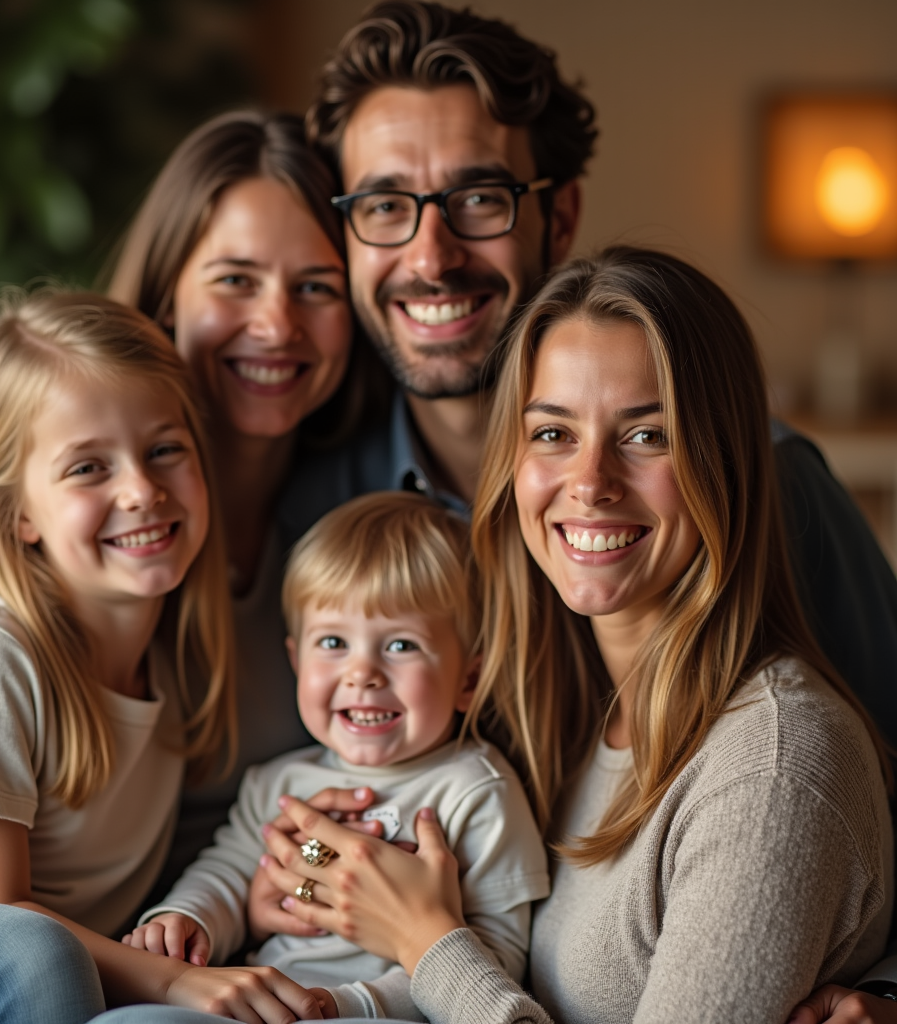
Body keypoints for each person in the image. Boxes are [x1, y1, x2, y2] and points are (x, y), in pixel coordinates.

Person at [260, 247, 895, 1024]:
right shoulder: (552, 707)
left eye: (647, 435)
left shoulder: (769, 767)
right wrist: (304, 874)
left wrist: (427, 943)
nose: (590, 481)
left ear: (725, 460)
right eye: (554, 433)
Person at [0, 110, 383, 905]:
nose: (276, 324)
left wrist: (301, 871)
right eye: (234, 280)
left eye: (316, 287)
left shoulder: (356, 531)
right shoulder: (31, 561)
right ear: (167, 296)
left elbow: (339, 801)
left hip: (201, 920)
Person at [0, 289, 336, 1023]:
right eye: (88, 468)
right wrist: (172, 981)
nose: (142, 490)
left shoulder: (175, 657)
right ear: (18, 513)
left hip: (45, 967)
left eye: (164, 450)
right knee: (35, 956)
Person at [115, 492, 548, 1021]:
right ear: (297, 661)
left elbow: (496, 957)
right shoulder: (279, 781)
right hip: (259, 1001)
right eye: (334, 642)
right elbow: (229, 873)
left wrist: (350, 1005)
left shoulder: (476, 790)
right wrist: (186, 919)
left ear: (470, 678)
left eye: (401, 646)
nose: (361, 672)